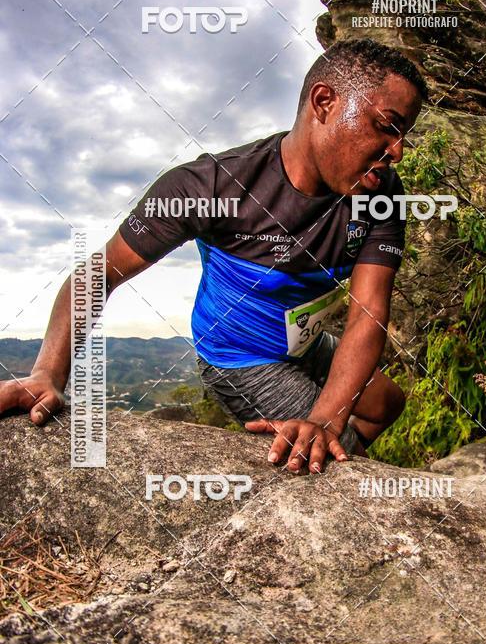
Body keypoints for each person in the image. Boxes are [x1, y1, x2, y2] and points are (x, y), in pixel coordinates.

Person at [0, 38, 425, 473]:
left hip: (306, 343)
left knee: (387, 403)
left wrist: (325, 418)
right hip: (240, 356)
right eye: (386, 126)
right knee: (339, 459)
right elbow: (101, 272)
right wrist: (48, 373)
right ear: (323, 102)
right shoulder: (210, 187)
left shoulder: (382, 194)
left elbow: (368, 311)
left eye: (403, 135)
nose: (396, 151)